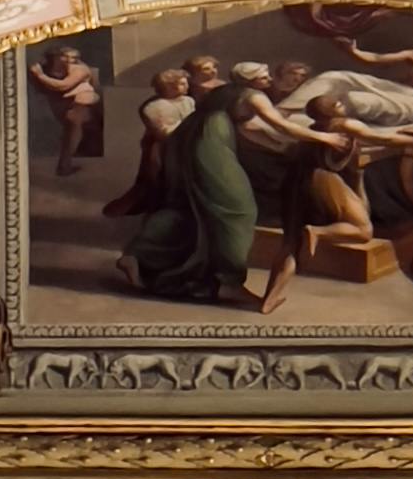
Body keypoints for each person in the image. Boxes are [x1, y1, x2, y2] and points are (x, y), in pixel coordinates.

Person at [119, 66, 257, 303]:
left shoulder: (196, 112)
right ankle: (228, 281)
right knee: (237, 211)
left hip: (180, 152)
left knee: (182, 209)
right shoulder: (210, 119)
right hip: (175, 154)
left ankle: (137, 255)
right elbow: (167, 134)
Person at [102, 61, 195, 217]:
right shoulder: (154, 107)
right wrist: (190, 125)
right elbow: (163, 132)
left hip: (186, 144)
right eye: (182, 84)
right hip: (164, 148)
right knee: (162, 178)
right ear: (169, 87)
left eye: (186, 84)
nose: (187, 87)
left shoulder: (189, 101)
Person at [27, 40, 103, 175]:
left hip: (82, 103)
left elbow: (63, 85)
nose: (69, 60)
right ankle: (64, 166)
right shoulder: (51, 68)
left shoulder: (80, 69)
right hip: (67, 104)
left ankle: (64, 166)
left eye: (74, 58)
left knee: (73, 129)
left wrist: (40, 76)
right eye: (64, 57)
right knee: (69, 133)